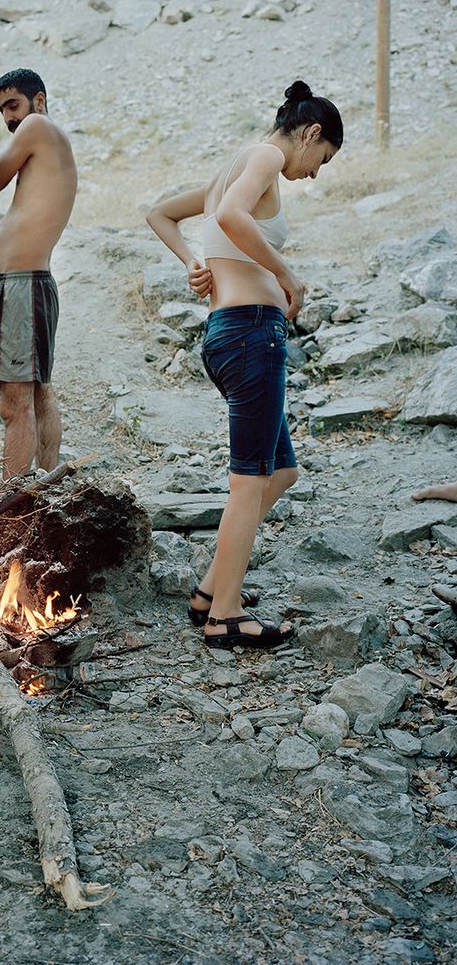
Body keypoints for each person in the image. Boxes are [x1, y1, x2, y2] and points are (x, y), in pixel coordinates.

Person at [147, 80, 343, 650]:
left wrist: (193, 260)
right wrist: (286, 274)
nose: (314, 173)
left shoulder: (234, 163)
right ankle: (225, 617)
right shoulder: (263, 157)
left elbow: (159, 213)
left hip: (232, 333)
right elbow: (232, 216)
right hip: (251, 333)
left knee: (280, 472)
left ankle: (213, 589)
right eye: (322, 158)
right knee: (249, 479)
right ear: (310, 135)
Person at [0, 68, 77, 479]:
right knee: (36, 393)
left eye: (12, 105)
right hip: (25, 285)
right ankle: (49, 488)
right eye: (1, 110)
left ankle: (13, 505)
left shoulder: (37, 126)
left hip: (22, 285)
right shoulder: (47, 143)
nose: (7, 118)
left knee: (14, 403)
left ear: (38, 101)